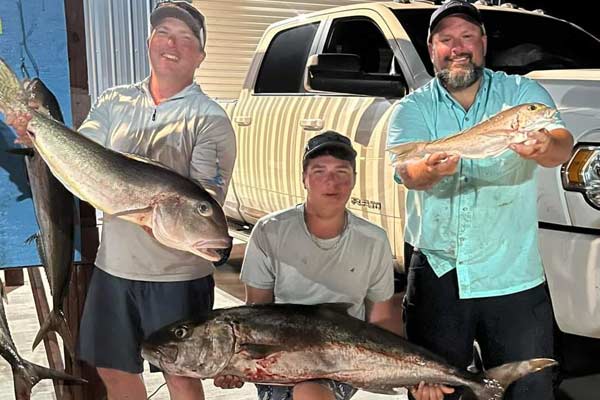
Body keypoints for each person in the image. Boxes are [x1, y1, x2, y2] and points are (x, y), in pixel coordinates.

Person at [8, 1, 236, 399]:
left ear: (200, 55)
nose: (172, 44)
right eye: (163, 33)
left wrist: (170, 214)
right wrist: (36, 134)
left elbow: (206, 197)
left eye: (186, 39)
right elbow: (82, 154)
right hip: (115, 269)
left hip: (175, 277)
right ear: (149, 42)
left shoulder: (210, 118)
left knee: (180, 375)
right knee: (113, 369)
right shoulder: (114, 102)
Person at [386, 1, 574, 400]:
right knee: (435, 390)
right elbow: (407, 171)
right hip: (439, 271)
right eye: (446, 39)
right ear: (432, 48)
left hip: (512, 271)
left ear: (484, 43)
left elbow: (561, 144)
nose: (458, 47)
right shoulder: (412, 108)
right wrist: (431, 169)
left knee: (530, 387)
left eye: (468, 36)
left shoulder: (522, 95)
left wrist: (543, 145)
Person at [214, 131, 450, 400]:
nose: (331, 181)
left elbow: (382, 318)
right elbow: (255, 311)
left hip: (342, 358)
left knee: (309, 393)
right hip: (279, 358)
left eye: (342, 172)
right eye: (319, 171)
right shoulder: (270, 231)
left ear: (354, 180)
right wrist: (231, 363)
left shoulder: (372, 239)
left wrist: (413, 376)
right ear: (304, 179)